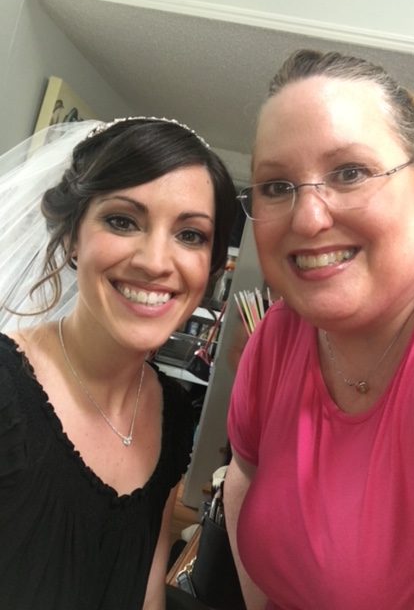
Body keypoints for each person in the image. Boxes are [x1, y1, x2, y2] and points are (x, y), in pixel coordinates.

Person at [224, 48, 414, 609]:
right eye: (277, 186)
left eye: (350, 173)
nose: (308, 217)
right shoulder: (277, 335)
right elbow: (243, 474)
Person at [0, 116, 237, 610]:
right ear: (72, 236)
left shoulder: (173, 412)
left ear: (212, 265)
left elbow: (147, 590)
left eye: (190, 234)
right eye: (123, 221)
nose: (155, 261)